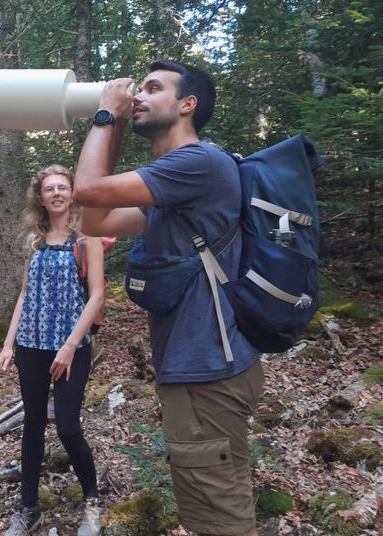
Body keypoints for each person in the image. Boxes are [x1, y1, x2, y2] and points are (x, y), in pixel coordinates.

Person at [73, 61, 263, 536]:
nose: (139, 95)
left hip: (208, 369)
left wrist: (105, 114)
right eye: (138, 89)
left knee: (221, 518)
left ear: (186, 105)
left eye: (153, 88)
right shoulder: (174, 188)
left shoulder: (198, 163)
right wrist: (117, 125)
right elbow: (93, 220)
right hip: (197, 367)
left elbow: (86, 188)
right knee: (208, 509)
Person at [0, 165, 105, 536]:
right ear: (41, 198)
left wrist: (70, 346)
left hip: (71, 348)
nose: (56, 193)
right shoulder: (36, 240)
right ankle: (29, 508)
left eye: (62, 187)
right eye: (49, 189)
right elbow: (25, 294)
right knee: (32, 424)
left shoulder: (87, 237)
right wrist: (9, 343)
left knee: (69, 427)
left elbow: (97, 296)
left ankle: (93, 501)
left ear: (72, 193)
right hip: (31, 345)